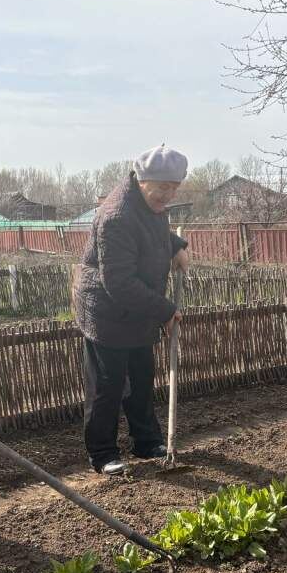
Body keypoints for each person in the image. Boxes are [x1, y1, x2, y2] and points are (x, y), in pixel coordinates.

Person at [73, 145, 190, 476]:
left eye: (173, 188)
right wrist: (165, 310)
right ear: (141, 179)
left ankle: (146, 441)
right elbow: (120, 282)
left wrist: (176, 245)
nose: (167, 195)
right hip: (108, 312)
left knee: (140, 378)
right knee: (108, 385)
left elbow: (151, 235)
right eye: (161, 187)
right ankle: (102, 453)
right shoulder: (117, 216)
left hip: (138, 308)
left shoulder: (150, 206)